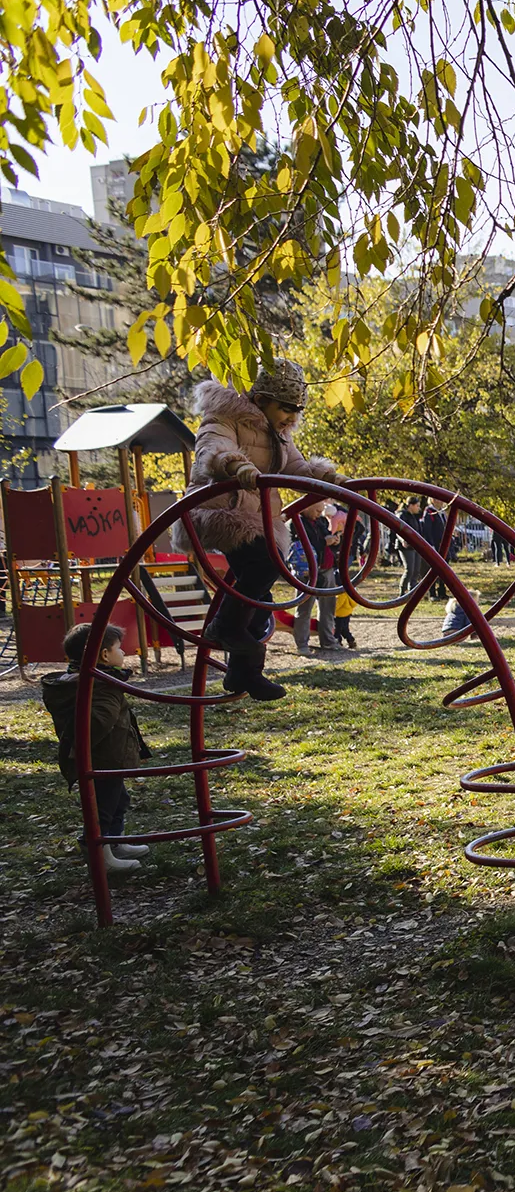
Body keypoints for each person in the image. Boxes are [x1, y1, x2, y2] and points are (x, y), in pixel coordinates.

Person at [188, 360, 340, 701]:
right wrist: (235, 464)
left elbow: (296, 466)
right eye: (284, 409)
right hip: (222, 512)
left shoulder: (278, 434)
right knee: (264, 567)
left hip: (260, 518)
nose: (291, 418)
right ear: (260, 400)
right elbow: (212, 450)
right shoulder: (223, 417)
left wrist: (326, 477)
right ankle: (224, 627)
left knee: (259, 597)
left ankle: (243, 673)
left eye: (296, 411)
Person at [42, 622, 153, 874]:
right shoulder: (99, 686)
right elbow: (94, 725)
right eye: (119, 648)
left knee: (118, 800)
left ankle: (115, 842)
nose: (123, 653)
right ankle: (99, 852)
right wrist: (111, 700)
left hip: (107, 756)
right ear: (104, 654)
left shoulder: (93, 682)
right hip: (102, 758)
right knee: (103, 806)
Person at [290, 500, 341, 655]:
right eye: (317, 511)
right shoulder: (295, 522)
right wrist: (325, 541)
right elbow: (303, 544)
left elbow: (325, 539)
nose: (319, 514)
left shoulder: (320, 521)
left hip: (326, 567)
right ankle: (302, 644)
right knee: (304, 607)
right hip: (308, 570)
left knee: (328, 606)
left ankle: (328, 641)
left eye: (321, 511)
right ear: (306, 506)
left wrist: (335, 541)